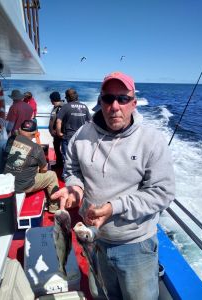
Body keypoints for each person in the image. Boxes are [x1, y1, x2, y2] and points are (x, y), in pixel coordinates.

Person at [52, 71, 175, 299]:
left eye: (123, 99)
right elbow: (73, 171)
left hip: (136, 244)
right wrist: (76, 188)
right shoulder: (81, 135)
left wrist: (113, 207)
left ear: (134, 103)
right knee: (103, 295)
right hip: (94, 241)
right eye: (108, 99)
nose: (115, 106)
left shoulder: (152, 140)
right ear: (101, 101)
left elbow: (162, 192)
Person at [3, 119, 60, 213]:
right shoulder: (37, 148)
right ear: (35, 134)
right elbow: (44, 170)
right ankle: (54, 207)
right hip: (23, 186)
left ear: (20, 130)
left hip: (8, 181)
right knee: (52, 175)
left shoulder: (11, 139)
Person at [56, 88, 91, 159]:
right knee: (79, 158)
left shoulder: (65, 107)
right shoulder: (84, 107)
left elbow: (58, 121)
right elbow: (90, 122)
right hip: (81, 137)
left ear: (68, 98)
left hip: (68, 137)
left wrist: (59, 133)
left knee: (67, 159)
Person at [49, 91, 64, 168]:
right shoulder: (58, 107)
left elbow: (56, 120)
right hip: (58, 132)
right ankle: (60, 163)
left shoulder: (60, 108)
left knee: (60, 149)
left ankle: (61, 164)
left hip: (59, 132)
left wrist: (53, 130)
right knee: (57, 148)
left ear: (52, 100)